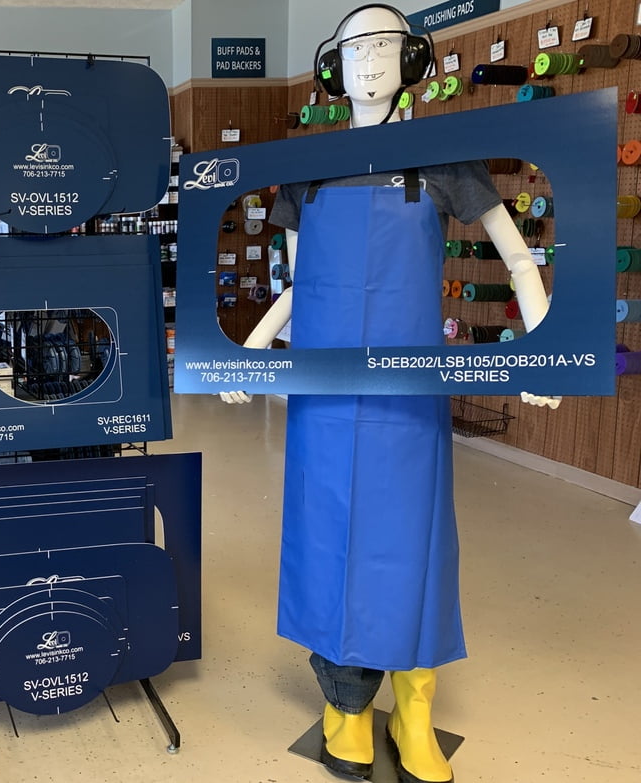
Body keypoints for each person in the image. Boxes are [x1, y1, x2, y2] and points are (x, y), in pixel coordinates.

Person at [222, 5, 559, 780]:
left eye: (383, 47)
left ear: (411, 61)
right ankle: (344, 708)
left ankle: (414, 710)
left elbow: (518, 259)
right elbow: (301, 283)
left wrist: (546, 354)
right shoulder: (306, 170)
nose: (369, 61)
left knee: (413, 546)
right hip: (324, 398)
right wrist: (250, 350)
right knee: (326, 541)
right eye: (354, 49)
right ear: (332, 67)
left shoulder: (443, 159)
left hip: (409, 399)